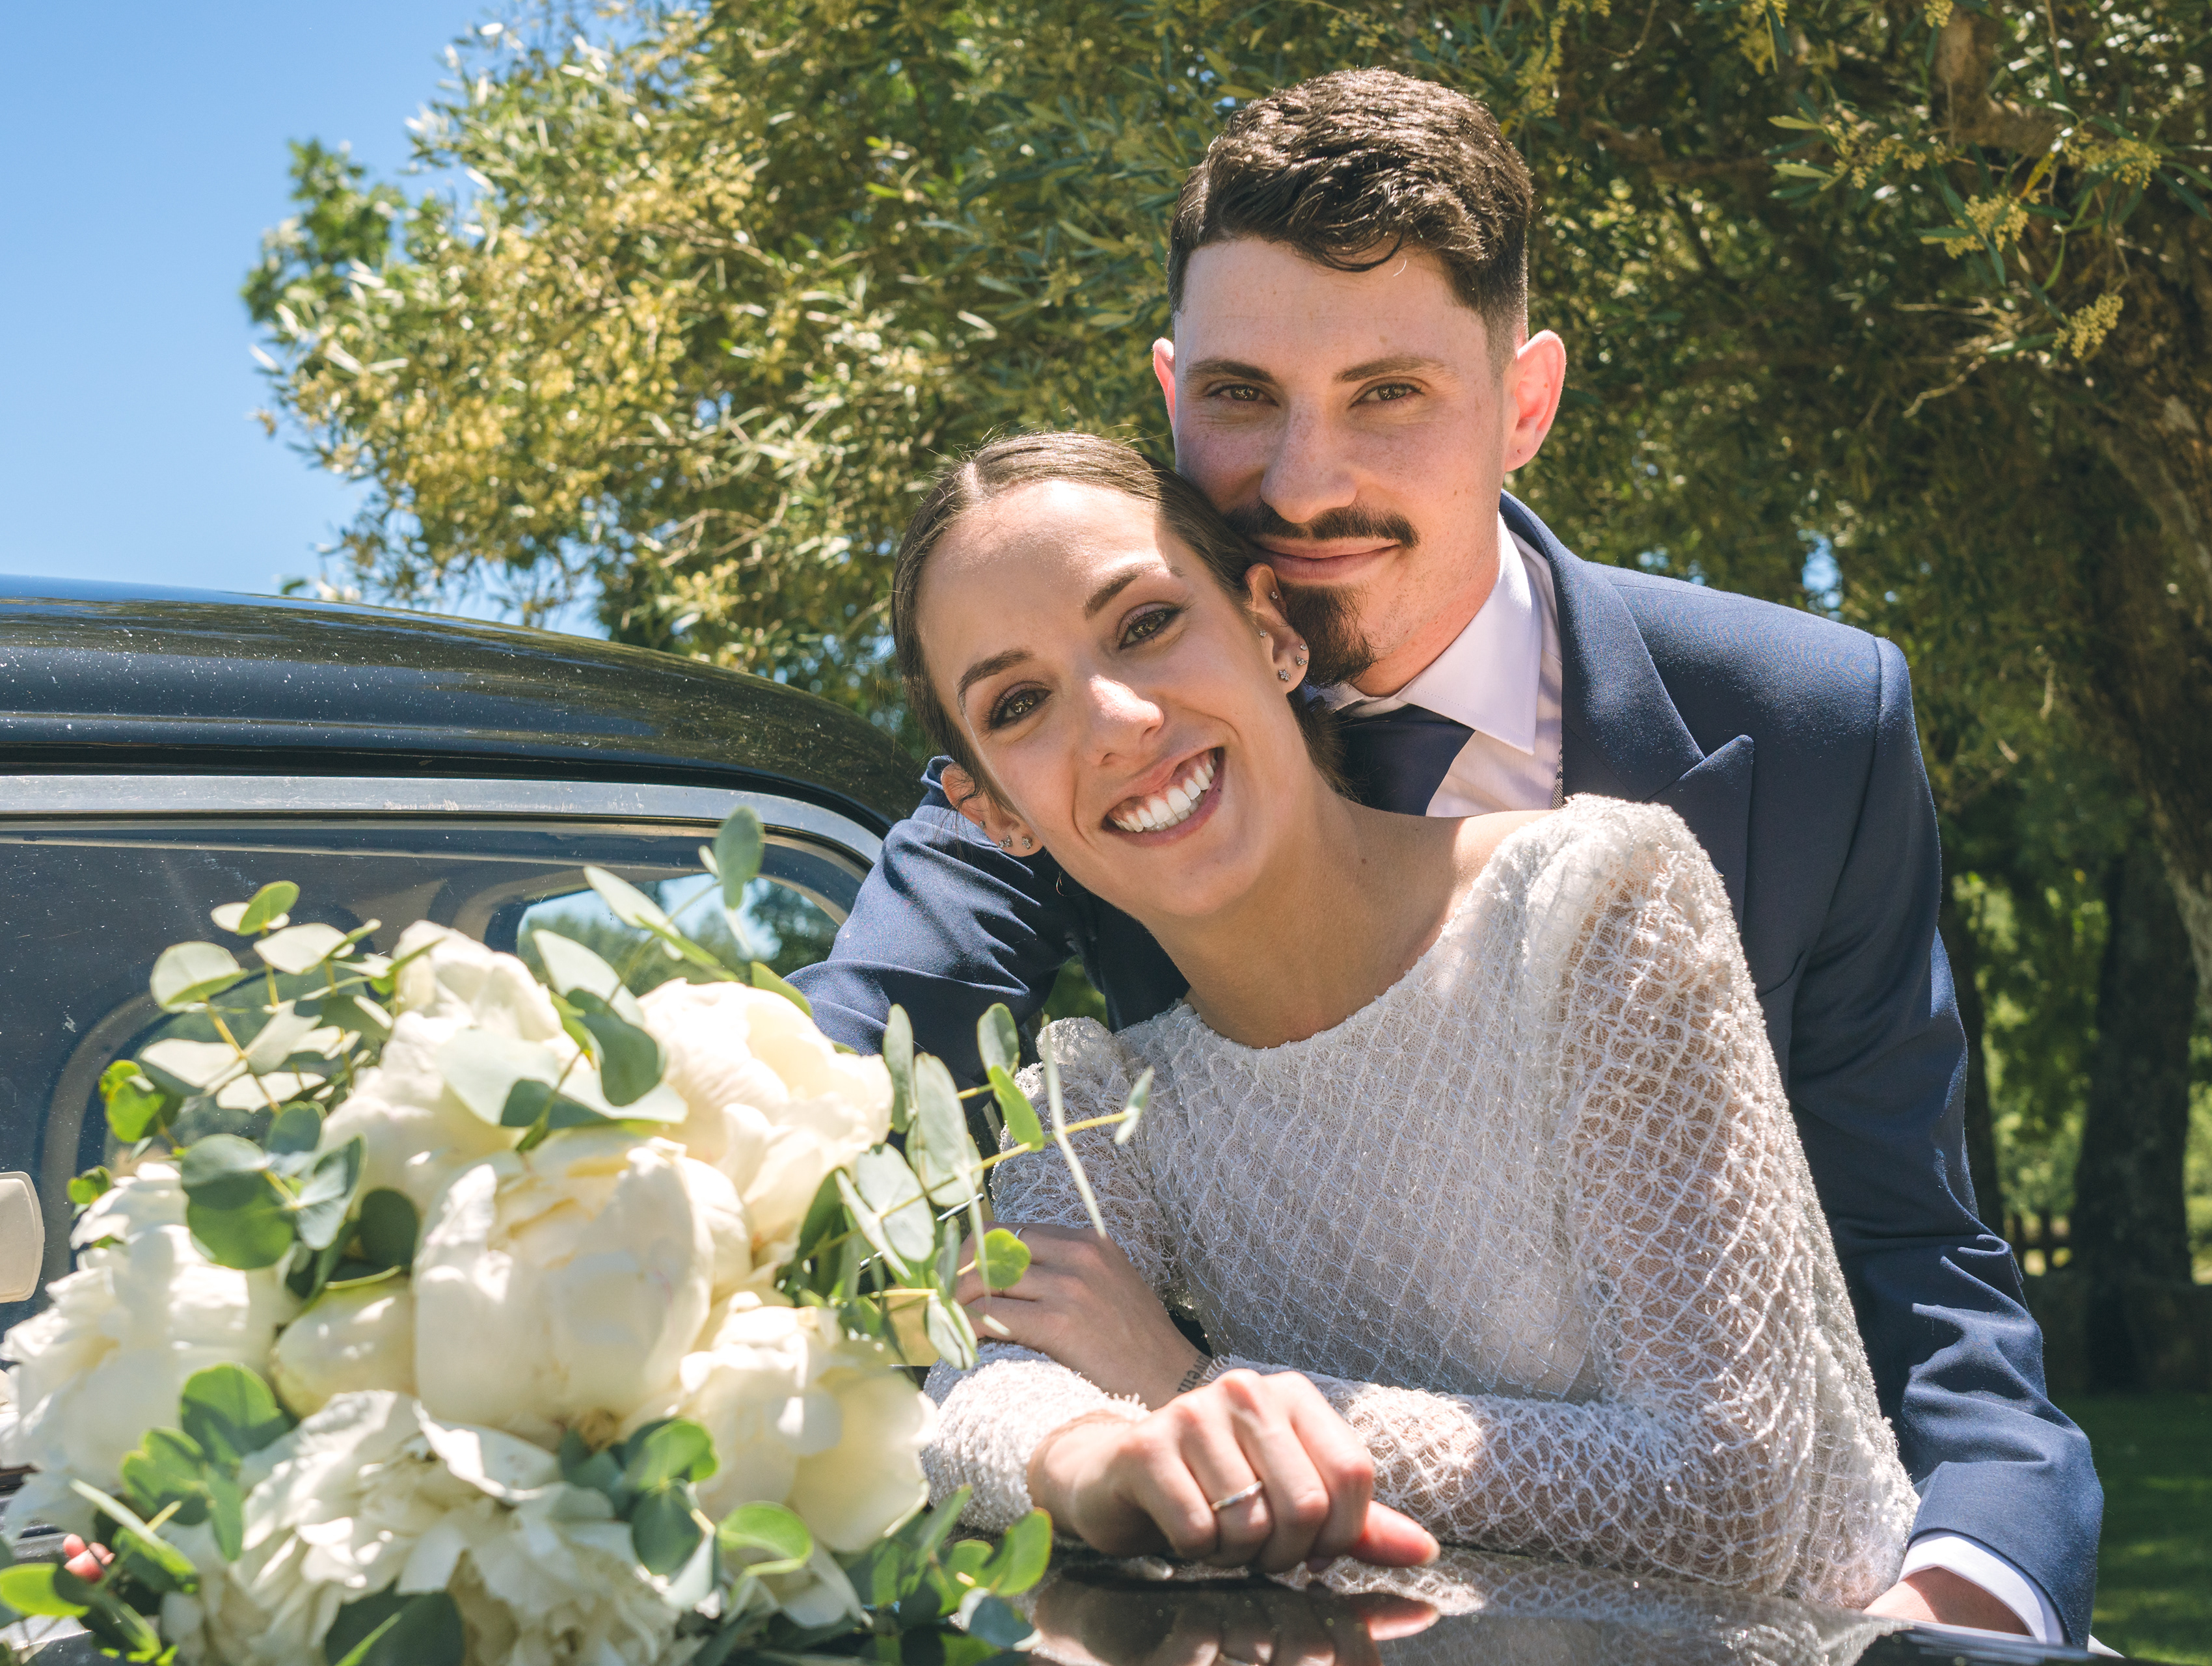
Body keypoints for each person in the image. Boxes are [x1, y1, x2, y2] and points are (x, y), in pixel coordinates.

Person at [791, 68, 2101, 1639]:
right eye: (1242, 395)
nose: (1303, 484)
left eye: (1390, 394)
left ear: (1525, 404)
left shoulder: (1796, 732)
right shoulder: (1084, 767)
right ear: (1170, 392)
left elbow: (1914, 1255)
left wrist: (1954, 1609)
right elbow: (820, 1092)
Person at [889, 430, 1920, 1606]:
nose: (1117, 719)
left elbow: (1731, 1496)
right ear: (995, 814)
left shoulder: (1594, 907)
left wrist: (1192, 1391)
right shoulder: (1106, 1106)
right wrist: (1095, 1455)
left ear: (1273, 629)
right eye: (1020, 702)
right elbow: (979, 1390)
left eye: (1146, 623)